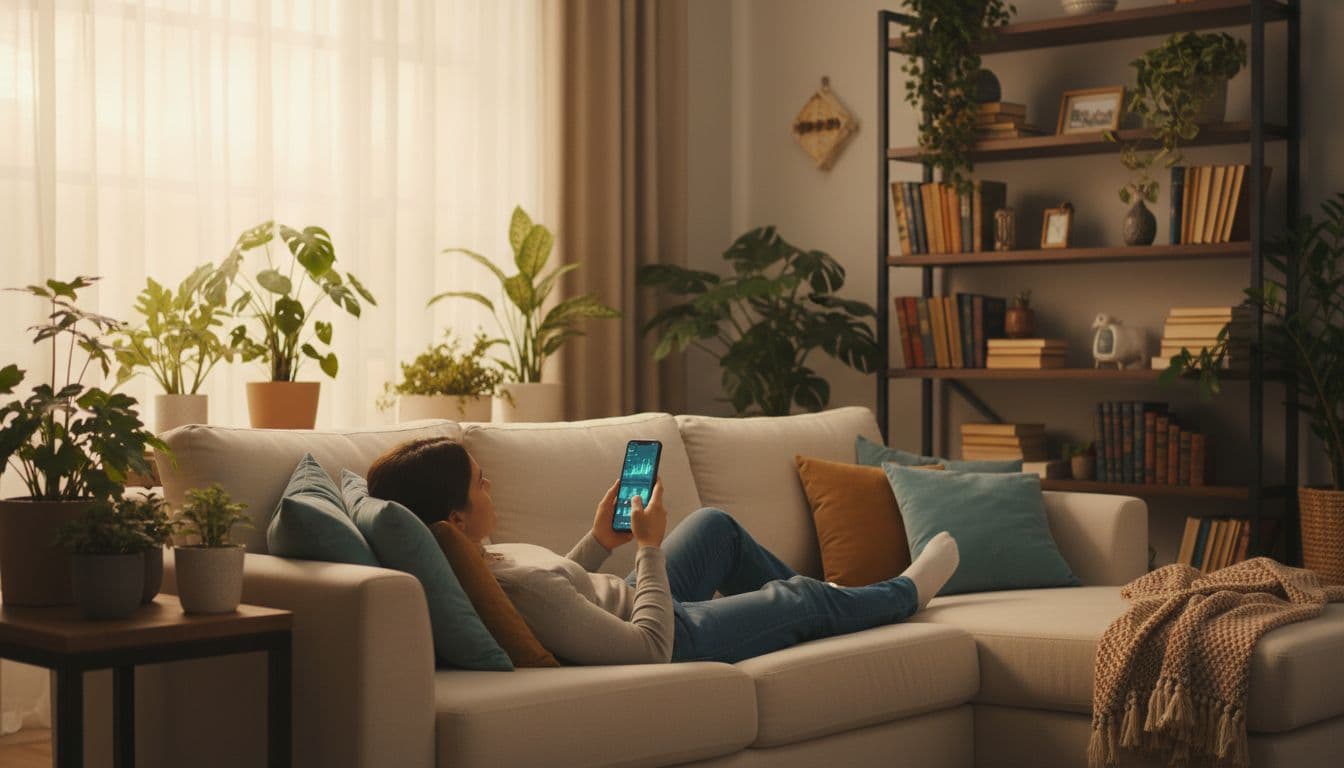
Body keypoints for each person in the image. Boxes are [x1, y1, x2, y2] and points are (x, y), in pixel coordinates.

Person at [367, 437, 960, 665]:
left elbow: (564, 586)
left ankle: (839, 607)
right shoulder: (515, 588)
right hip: (669, 633)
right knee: (797, 597)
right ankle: (901, 594)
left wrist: (601, 541)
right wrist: (647, 548)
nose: (491, 484)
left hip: (631, 600)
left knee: (715, 527)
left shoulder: (480, 552)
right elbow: (648, 647)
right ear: (455, 516)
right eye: (481, 482)